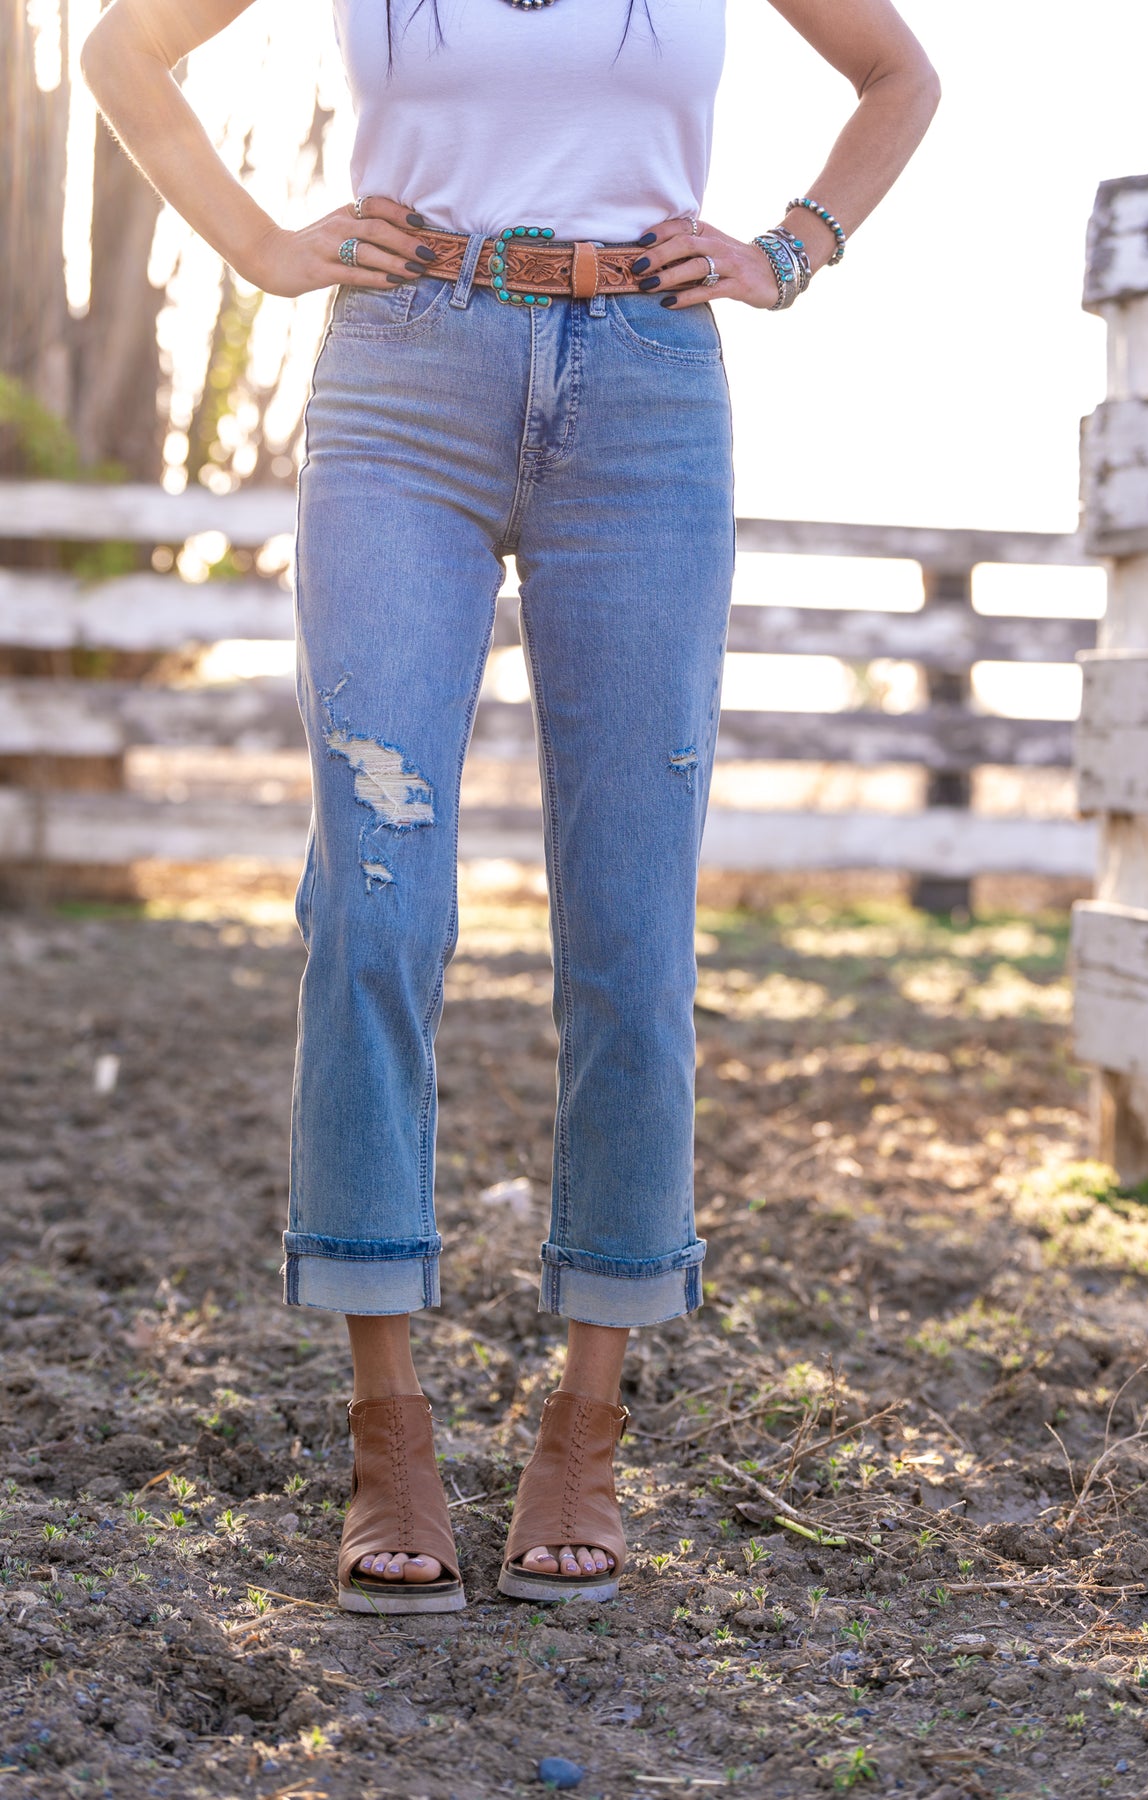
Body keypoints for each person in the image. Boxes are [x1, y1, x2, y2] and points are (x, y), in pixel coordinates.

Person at [82, 0, 939, 1615]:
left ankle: (585, 1424)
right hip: (403, 376)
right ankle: (388, 1428)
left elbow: (899, 74)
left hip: (648, 391)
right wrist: (262, 245)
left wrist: (792, 248)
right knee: (374, 898)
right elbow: (123, 48)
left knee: (630, 919)